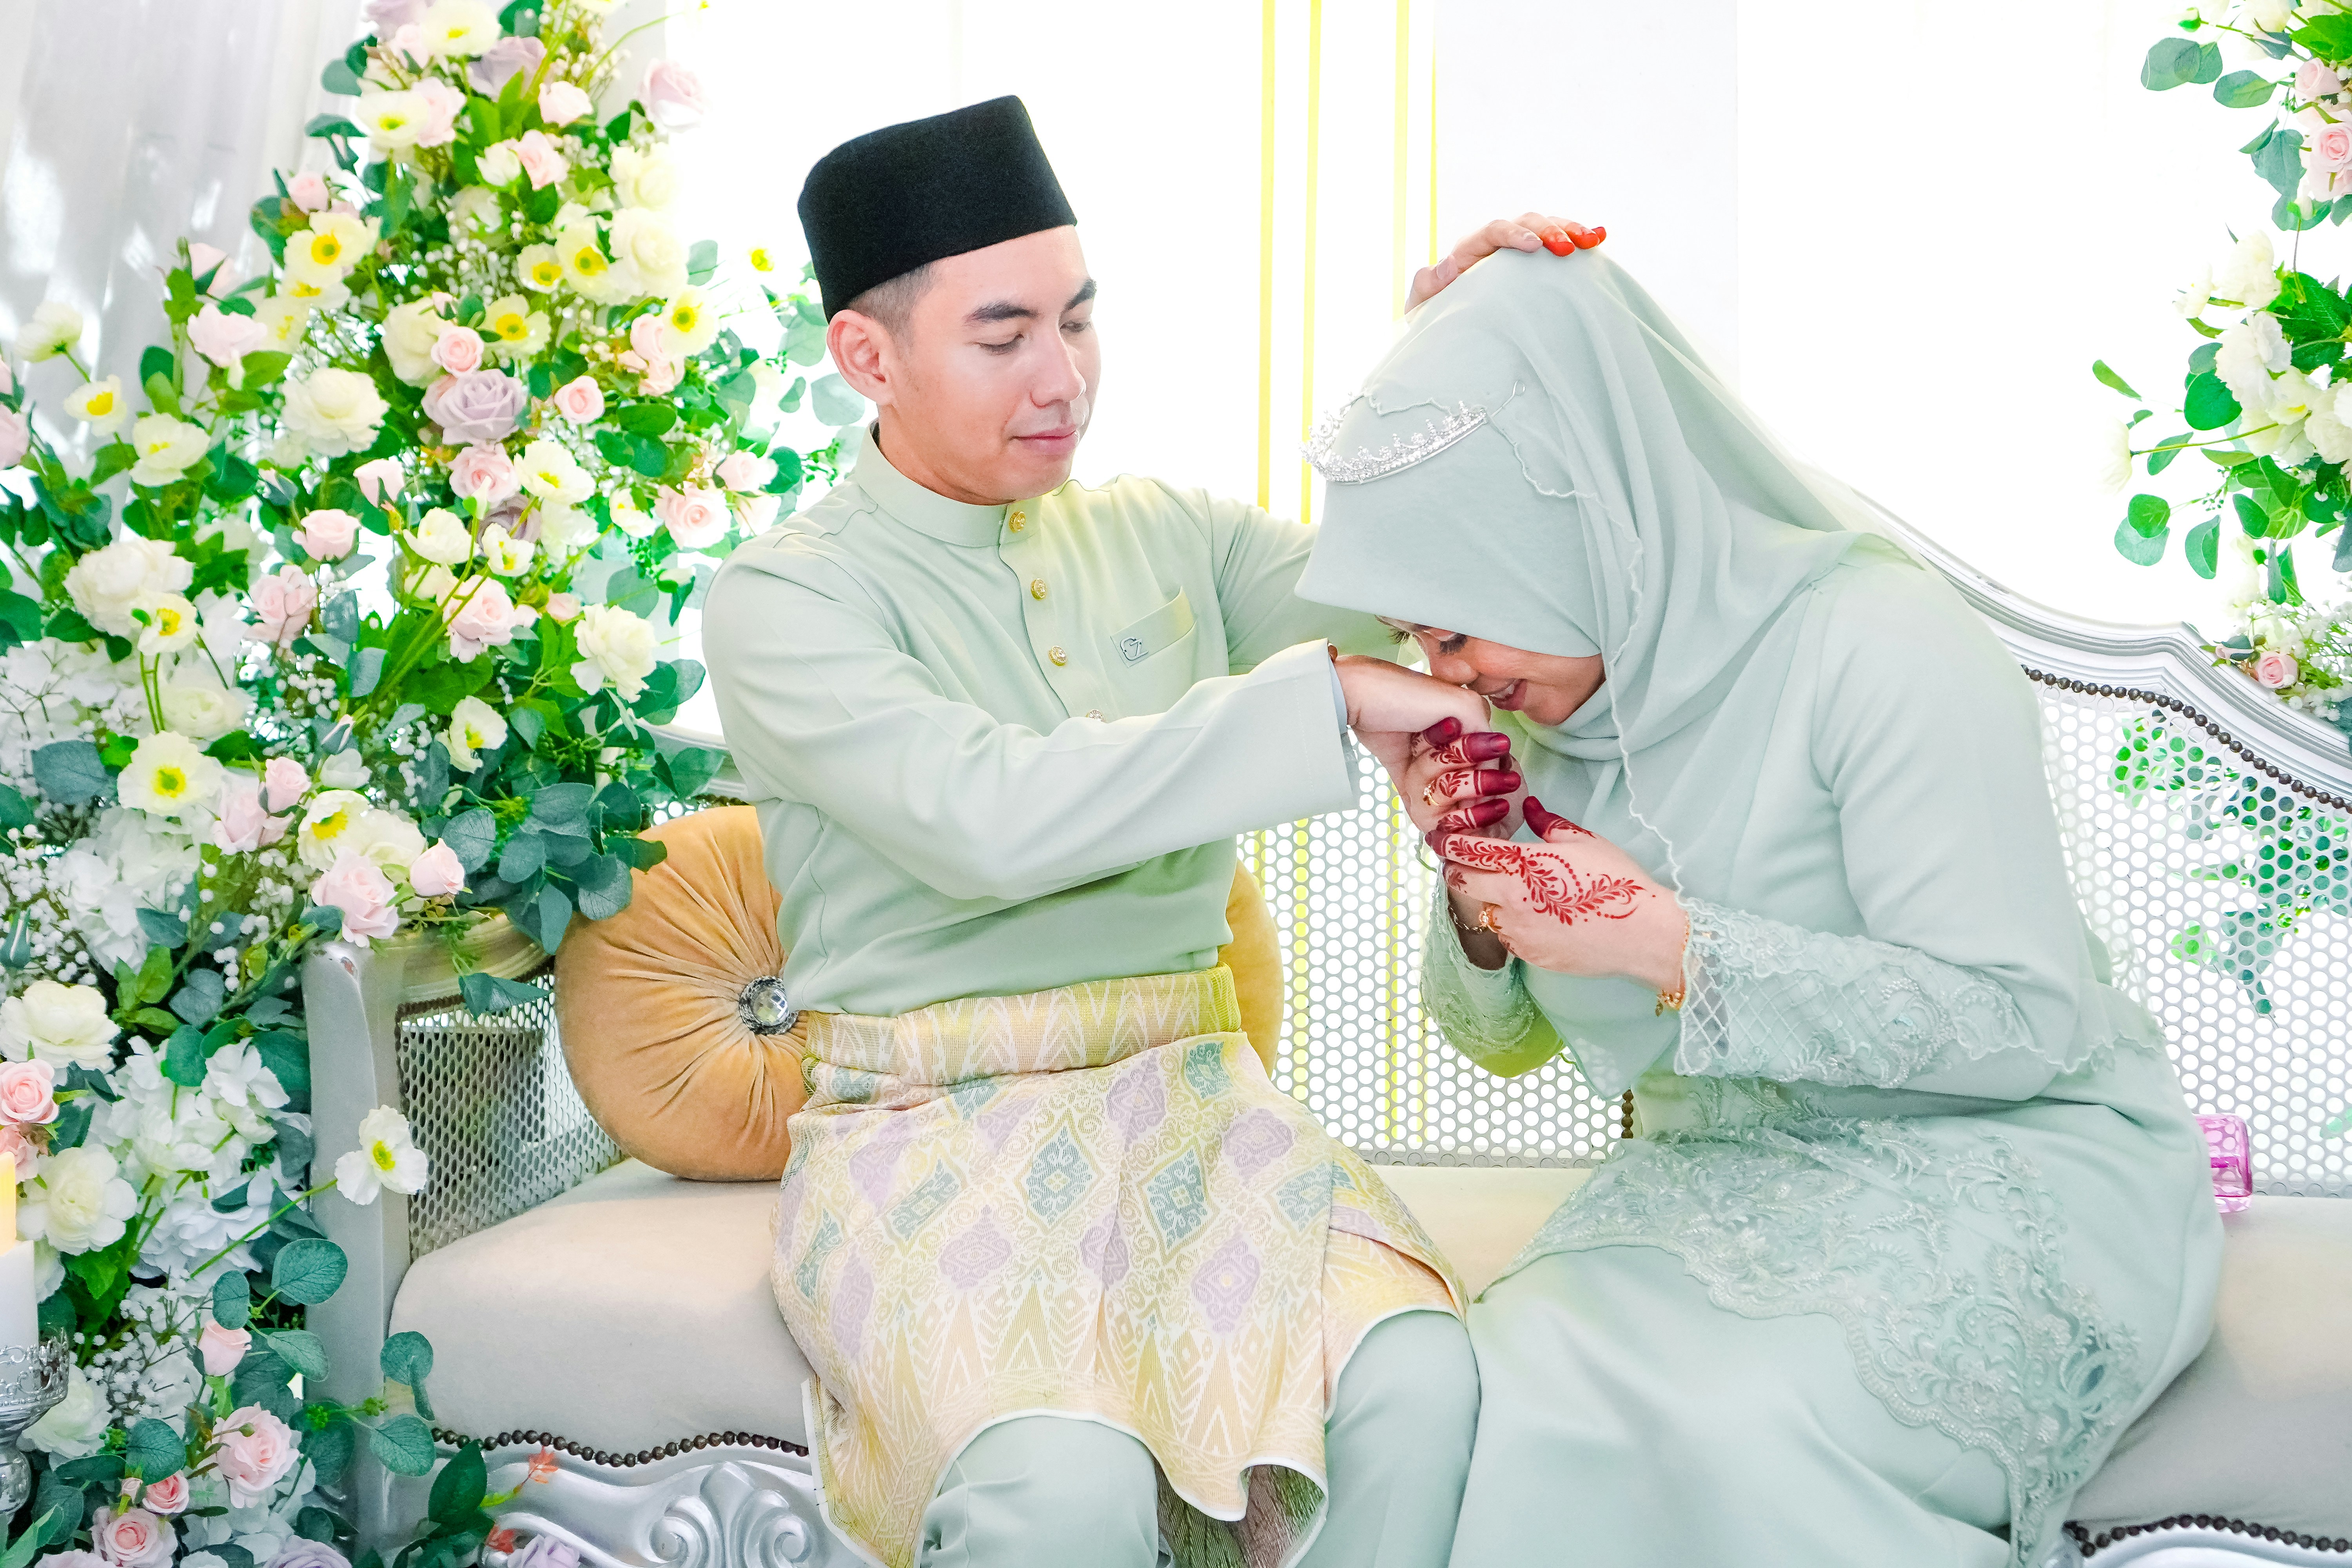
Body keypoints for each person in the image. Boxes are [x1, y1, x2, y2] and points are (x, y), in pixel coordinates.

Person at [702, 96, 1588, 1568]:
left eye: (1079, 320)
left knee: (1419, 1382)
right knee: (1060, 1489)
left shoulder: (1173, 534)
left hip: (1198, 1103)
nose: (1063, 379)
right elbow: (985, 817)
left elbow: (1438, 601)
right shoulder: (786, 600)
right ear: (868, 356)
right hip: (931, 1127)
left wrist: (1471, 354)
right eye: (1003, 337)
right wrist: (1321, 698)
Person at [1293, 247, 2225, 1568]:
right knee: (1484, 1405)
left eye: (1460, 628)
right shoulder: (1548, 710)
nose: (1449, 673)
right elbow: (1497, 1042)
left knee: (1732, 1429)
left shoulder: (1878, 641)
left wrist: (1670, 945)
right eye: (1420, 638)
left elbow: (2021, 1021)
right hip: (1711, 1186)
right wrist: (1472, 882)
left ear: (1569, 537)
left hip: (2008, 1164)